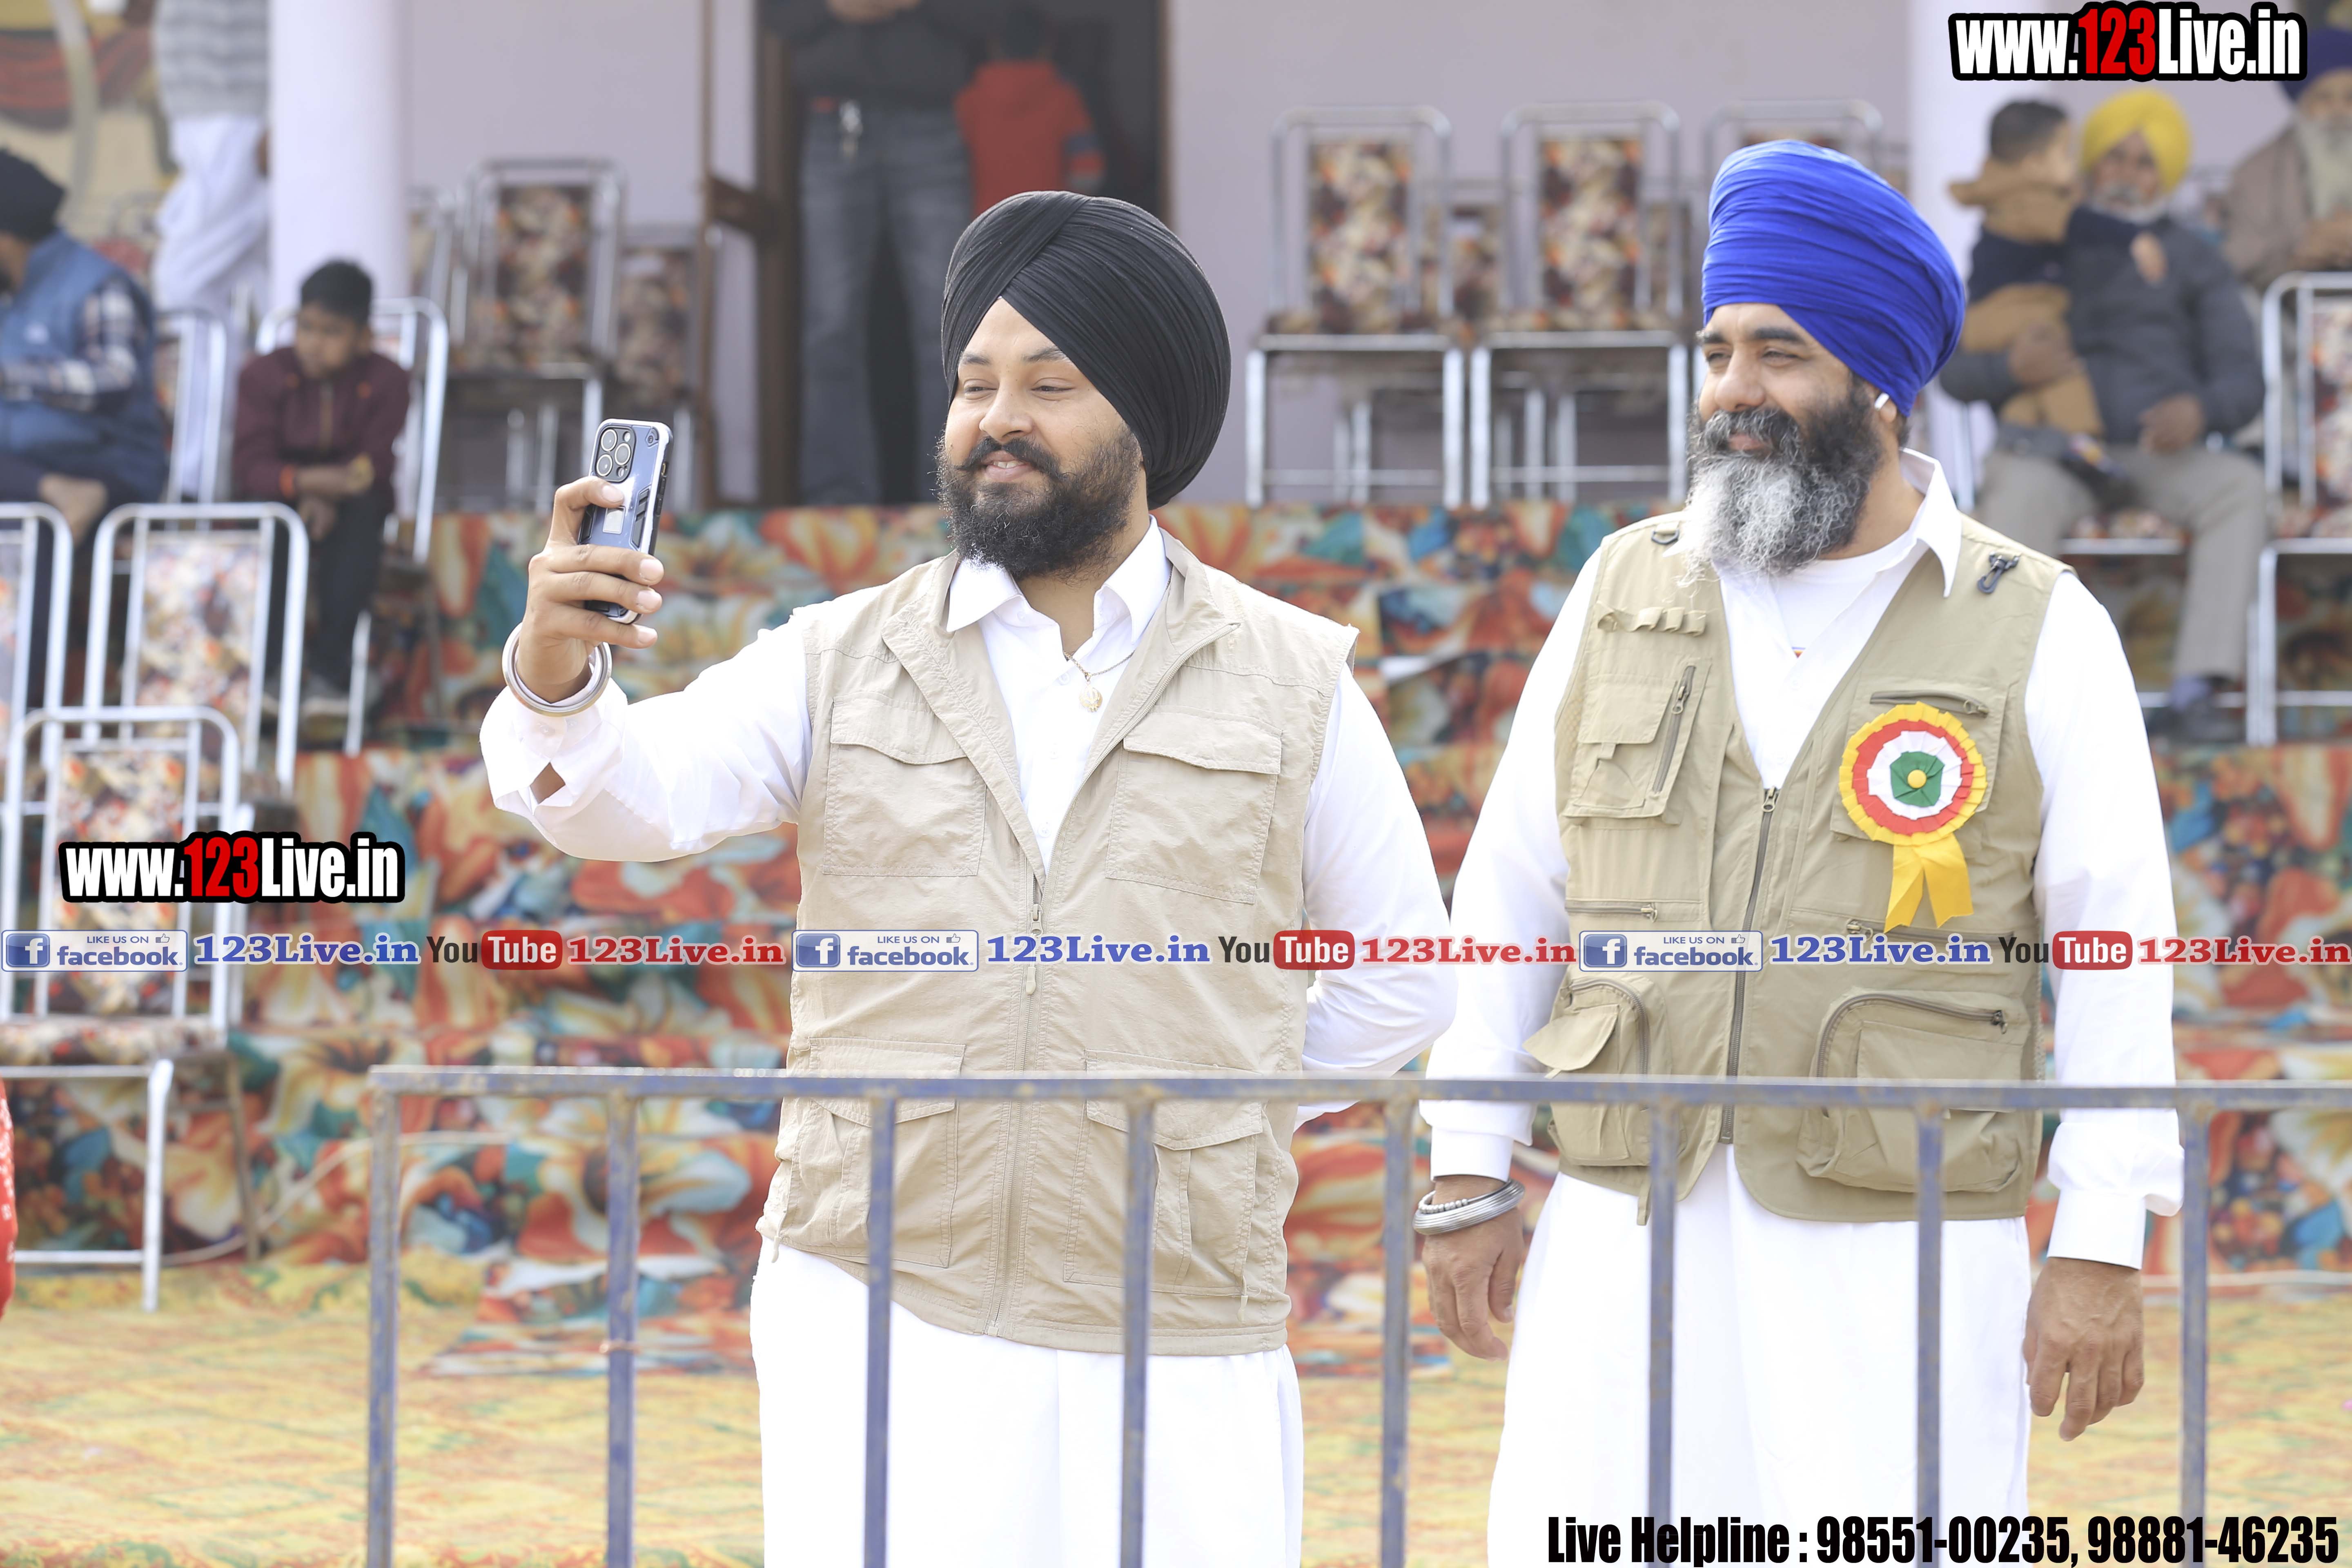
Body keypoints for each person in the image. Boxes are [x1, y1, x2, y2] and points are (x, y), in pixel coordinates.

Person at [481, 190, 1454, 1566]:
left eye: (1049, 386)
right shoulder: (840, 656)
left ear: (1146, 417)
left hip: (1172, 1311)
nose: (997, 419)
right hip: (879, 1294)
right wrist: (555, 674)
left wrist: (1204, 1097)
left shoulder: (1292, 679)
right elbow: (621, 798)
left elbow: (1405, 977)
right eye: (973, 383)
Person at [1421, 143, 2182, 1550]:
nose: (1734, 391)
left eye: (1781, 353)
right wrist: (1468, 1160)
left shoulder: (2036, 621)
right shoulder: (1624, 583)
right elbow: (1513, 891)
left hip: (1897, 1236)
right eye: (1718, 353)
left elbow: (2115, 945)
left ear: (1881, 383)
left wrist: (2099, 1236)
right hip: (1628, 1220)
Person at [1940, 89, 2265, 742]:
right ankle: (2000, 701)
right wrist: (2012, 370)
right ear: (2088, 164)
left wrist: (2200, 410)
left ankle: (2197, 692)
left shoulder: (2193, 257)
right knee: (2016, 491)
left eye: (2145, 163)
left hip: (2160, 450)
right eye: (2114, 157)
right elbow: (1955, 371)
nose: (2126, 174)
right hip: (2054, 450)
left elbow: (2244, 379)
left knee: (2240, 487)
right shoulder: (2033, 240)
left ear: (2166, 175)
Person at [765, 0, 1002, 503]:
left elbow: (989, 14)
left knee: (947, 323)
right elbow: (778, 15)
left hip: (932, 119)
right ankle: (837, 499)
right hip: (833, 120)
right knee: (830, 326)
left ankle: (953, 494)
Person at [1948, 98, 2162, 506]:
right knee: (2064, 370)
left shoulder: (2005, 192)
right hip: (2016, 309)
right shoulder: (2031, 201)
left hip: (1992, 314)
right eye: (2065, 155)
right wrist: (2134, 238)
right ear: (2033, 165)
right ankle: (2085, 445)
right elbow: (2075, 222)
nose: (2073, 166)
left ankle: (2022, 434)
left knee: (2038, 388)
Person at [231, 260, 409, 698]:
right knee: (272, 526)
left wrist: (327, 493)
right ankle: (267, 676)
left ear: (363, 337)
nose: (313, 343)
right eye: (306, 327)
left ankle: (331, 675)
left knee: (361, 524)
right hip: (277, 497)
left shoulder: (387, 380)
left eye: (332, 332)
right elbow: (250, 465)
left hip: (350, 505)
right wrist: (308, 485)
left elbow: (372, 465)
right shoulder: (263, 374)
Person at [0, 149, 167, 539]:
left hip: (104, 466)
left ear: (6, 238)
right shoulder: (10, 292)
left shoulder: (98, 285)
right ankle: (52, 489)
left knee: (32, 529)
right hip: (24, 470)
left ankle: (62, 493)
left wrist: (11, 375)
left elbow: (116, 379)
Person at [142, 0, 271, 323]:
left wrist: (277, 116)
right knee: (257, 268)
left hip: (240, 115)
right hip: (196, 111)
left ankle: (214, 358)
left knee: (181, 278)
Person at [2224, 27, 2352, 291]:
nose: (2339, 110)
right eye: (2325, 98)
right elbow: (2237, 262)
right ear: (2303, 104)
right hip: (2290, 309)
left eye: (2350, 98)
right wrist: (2300, 253)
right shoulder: (2255, 175)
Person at [955, 5, 1106, 215]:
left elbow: (952, 173)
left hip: (986, 222)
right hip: (1049, 221)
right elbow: (1088, 171)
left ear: (993, 46)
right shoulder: (1065, 98)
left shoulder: (968, 101)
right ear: (1048, 47)